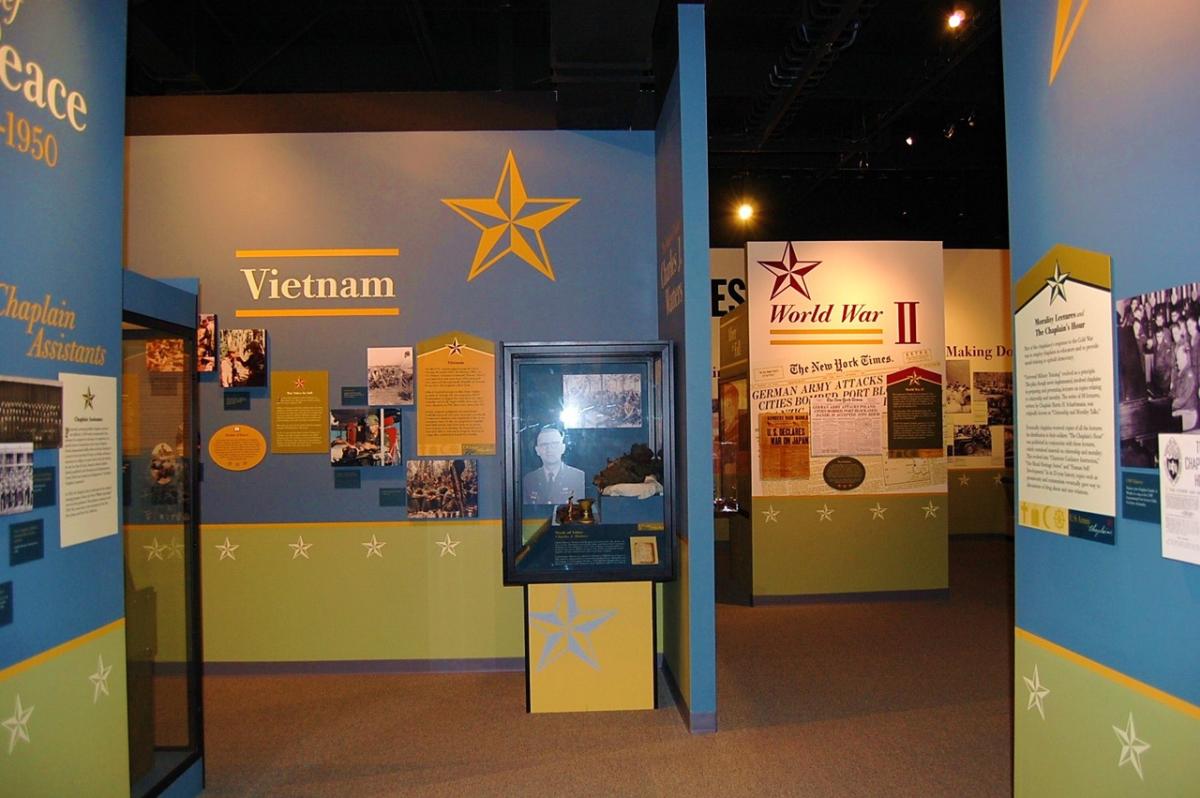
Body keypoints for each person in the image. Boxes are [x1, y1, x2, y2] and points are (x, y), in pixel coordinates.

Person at [523, 426, 585, 504]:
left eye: (554, 444)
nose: (549, 449)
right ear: (537, 450)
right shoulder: (529, 480)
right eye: (544, 445)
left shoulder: (578, 477)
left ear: (563, 448)